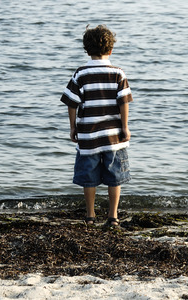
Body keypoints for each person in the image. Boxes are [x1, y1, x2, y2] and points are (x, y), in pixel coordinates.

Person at [60, 25, 133, 227]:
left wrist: (73, 127)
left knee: (88, 177)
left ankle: (90, 216)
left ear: (86, 49)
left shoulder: (80, 73)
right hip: (113, 136)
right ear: (110, 50)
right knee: (114, 177)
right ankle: (113, 216)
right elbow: (123, 102)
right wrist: (125, 127)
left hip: (88, 135)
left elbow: (72, 103)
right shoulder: (118, 73)